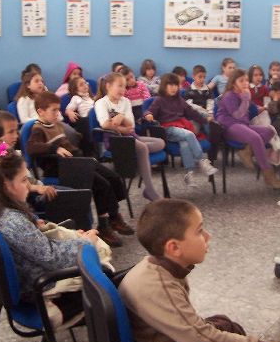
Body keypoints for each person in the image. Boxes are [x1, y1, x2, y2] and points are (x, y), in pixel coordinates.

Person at [119, 198, 280, 342]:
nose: (208, 236)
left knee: (227, 326)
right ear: (174, 248)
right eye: (199, 231)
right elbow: (201, 338)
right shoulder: (158, 286)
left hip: (170, 339)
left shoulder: (160, 267)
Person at [0, 146, 98, 326]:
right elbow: (52, 257)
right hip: (42, 289)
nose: (29, 185)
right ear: (5, 185)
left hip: (31, 282)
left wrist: (70, 239)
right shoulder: (12, 221)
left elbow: (38, 247)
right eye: (24, 180)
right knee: (113, 282)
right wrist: (85, 243)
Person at [27, 91, 133, 247]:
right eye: (53, 110)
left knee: (113, 177)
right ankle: (104, 225)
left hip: (76, 161)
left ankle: (114, 216)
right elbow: (31, 147)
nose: (58, 113)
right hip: (62, 167)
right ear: (40, 112)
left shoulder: (55, 124)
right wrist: (55, 148)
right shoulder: (38, 128)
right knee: (102, 184)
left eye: (58, 110)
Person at [94, 72, 165, 202]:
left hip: (130, 136)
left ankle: (138, 155)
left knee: (161, 143)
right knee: (142, 148)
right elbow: (105, 124)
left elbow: (131, 125)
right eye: (120, 86)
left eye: (124, 86)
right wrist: (122, 126)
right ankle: (149, 190)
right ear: (108, 86)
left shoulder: (125, 101)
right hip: (114, 139)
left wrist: (120, 118)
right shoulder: (101, 103)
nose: (123, 90)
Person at [144, 73, 217, 186]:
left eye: (175, 85)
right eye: (170, 85)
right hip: (168, 129)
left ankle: (189, 174)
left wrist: (204, 120)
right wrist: (148, 115)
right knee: (189, 135)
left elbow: (191, 112)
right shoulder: (159, 100)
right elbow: (149, 111)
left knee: (185, 144)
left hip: (181, 128)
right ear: (164, 86)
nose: (173, 88)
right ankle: (201, 160)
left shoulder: (179, 99)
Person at [216, 69, 280, 189]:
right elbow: (237, 115)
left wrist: (261, 107)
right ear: (233, 83)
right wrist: (245, 99)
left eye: (246, 80)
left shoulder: (243, 93)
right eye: (241, 81)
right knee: (255, 138)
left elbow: (251, 109)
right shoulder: (229, 96)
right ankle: (268, 174)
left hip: (243, 125)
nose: (245, 83)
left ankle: (247, 150)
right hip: (229, 126)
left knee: (269, 131)